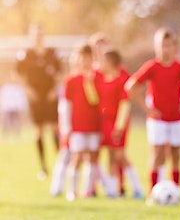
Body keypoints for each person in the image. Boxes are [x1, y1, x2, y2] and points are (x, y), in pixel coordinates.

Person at [125, 28, 180, 194]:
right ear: (156, 47)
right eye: (162, 45)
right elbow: (131, 87)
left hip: (176, 118)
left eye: (168, 45)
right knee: (158, 154)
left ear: (174, 47)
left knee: (176, 155)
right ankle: (153, 192)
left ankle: (176, 191)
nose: (165, 49)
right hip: (157, 119)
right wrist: (146, 107)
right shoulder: (152, 67)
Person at [61, 44, 115, 201]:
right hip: (77, 126)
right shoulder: (71, 80)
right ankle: (72, 190)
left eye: (88, 58)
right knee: (76, 157)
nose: (85, 61)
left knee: (93, 158)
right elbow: (66, 105)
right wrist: (67, 126)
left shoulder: (98, 77)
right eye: (82, 58)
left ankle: (87, 190)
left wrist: (90, 82)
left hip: (94, 125)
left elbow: (97, 101)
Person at [95, 49, 144, 199]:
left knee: (120, 155)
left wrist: (119, 127)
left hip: (118, 123)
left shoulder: (121, 80)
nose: (100, 64)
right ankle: (111, 190)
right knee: (110, 155)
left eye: (103, 60)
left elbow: (124, 104)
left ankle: (137, 188)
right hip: (105, 122)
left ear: (110, 63)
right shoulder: (102, 79)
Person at [16, 24, 62, 180]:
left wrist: (53, 90)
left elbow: (59, 73)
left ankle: (61, 163)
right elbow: (18, 74)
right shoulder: (26, 54)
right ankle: (43, 168)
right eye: (35, 34)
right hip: (35, 98)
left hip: (50, 96)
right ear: (31, 36)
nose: (38, 37)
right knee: (39, 131)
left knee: (56, 129)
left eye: (40, 34)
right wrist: (28, 90)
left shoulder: (52, 53)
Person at [0, 72, 28, 140]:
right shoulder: (5, 87)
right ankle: (6, 134)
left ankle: (16, 134)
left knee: (17, 121)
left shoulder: (18, 88)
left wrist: (22, 107)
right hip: (8, 107)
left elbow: (21, 98)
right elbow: (3, 97)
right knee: (7, 121)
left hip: (16, 107)